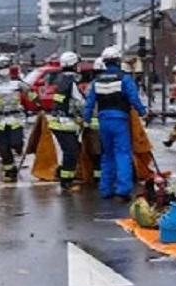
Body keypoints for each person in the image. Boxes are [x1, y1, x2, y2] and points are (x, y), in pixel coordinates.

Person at [83, 46, 148, 201]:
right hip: (120, 119)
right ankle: (123, 190)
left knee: (107, 154)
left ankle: (105, 189)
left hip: (103, 120)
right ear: (118, 60)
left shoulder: (96, 81)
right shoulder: (124, 78)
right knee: (122, 153)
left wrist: (86, 120)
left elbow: (90, 103)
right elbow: (133, 98)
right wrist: (143, 113)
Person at [48, 51, 87, 191]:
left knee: (71, 149)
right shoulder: (72, 82)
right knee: (71, 151)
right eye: (78, 64)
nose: (79, 67)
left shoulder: (61, 79)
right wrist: (87, 115)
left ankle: (65, 174)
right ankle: (66, 181)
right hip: (65, 123)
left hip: (58, 121)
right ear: (73, 65)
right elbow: (80, 102)